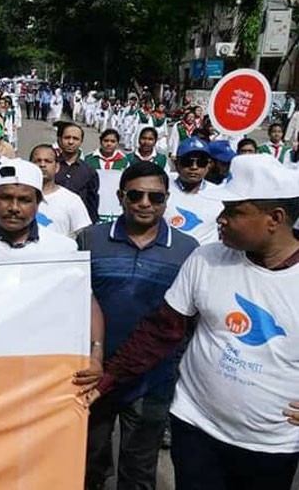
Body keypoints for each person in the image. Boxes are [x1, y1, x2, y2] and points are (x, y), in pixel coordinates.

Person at [84, 155, 299, 490]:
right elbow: (159, 332)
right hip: (195, 428)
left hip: (270, 446)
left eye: (234, 211)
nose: (221, 219)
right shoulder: (206, 259)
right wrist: (105, 383)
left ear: (275, 218)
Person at [78, 161, 199, 490]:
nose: (145, 203)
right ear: (121, 197)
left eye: (155, 197)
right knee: (88, 464)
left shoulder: (188, 250)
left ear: (167, 200)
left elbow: (190, 318)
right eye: (136, 195)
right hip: (93, 375)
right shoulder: (89, 239)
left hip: (153, 381)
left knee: (139, 471)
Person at [164, 137, 224, 246]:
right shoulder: (163, 186)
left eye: (201, 162)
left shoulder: (219, 194)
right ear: (176, 164)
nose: (194, 167)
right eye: (188, 162)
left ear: (209, 165)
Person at [30, 144, 91, 237]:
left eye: (48, 161)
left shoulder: (72, 200)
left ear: (57, 167)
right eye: (37, 161)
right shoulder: (17, 197)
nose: (42, 165)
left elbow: (84, 237)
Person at [55, 122, 100, 223]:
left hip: (78, 222)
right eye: (67, 138)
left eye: (75, 139)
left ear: (81, 142)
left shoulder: (89, 171)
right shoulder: (51, 167)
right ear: (60, 140)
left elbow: (92, 202)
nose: (71, 142)